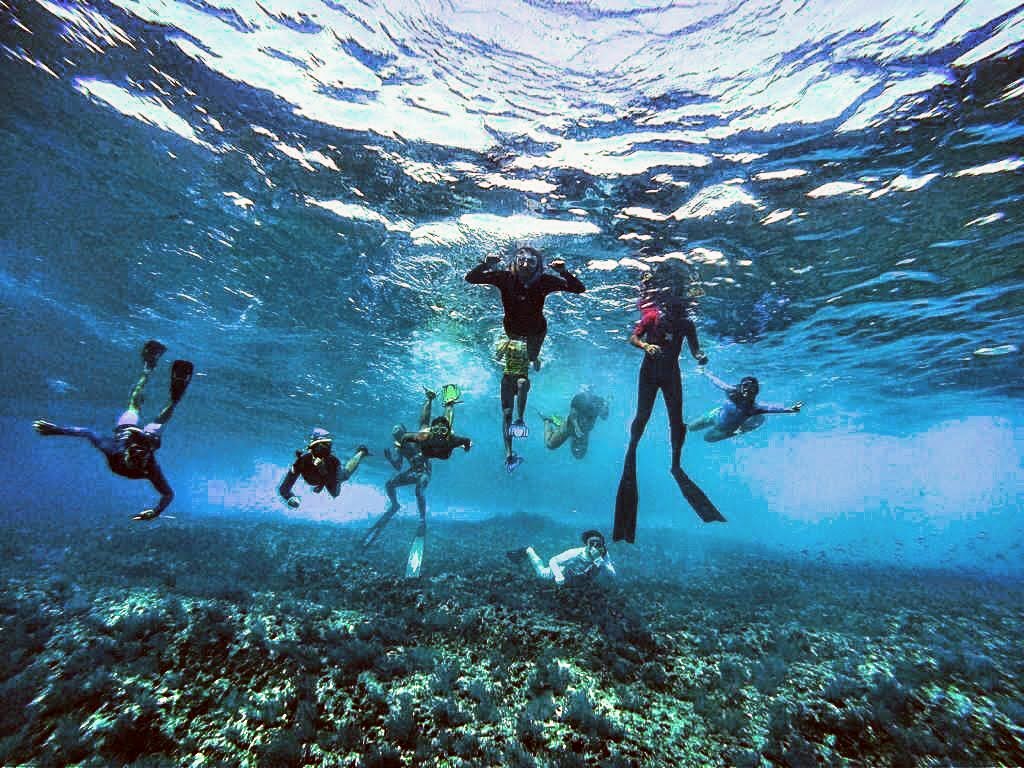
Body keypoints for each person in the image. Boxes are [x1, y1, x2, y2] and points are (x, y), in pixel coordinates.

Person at [613, 270, 724, 543]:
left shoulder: (687, 325)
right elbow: (632, 338)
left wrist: (701, 356)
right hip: (649, 372)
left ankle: (676, 463)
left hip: (671, 374)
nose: (677, 311)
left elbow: (695, 349)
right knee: (643, 415)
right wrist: (645, 347)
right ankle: (632, 450)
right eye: (675, 306)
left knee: (677, 420)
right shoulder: (652, 317)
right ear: (667, 305)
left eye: (681, 307)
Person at [32, 339, 193, 521]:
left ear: (126, 455)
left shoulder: (113, 450)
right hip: (147, 440)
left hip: (127, 435)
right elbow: (168, 494)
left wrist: (57, 430)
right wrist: (155, 512)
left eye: (136, 454)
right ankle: (173, 396)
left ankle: (148, 368)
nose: (138, 454)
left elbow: (87, 432)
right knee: (157, 424)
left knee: (133, 407)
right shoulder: (150, 467)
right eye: (140, 455)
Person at [465, 245, 586, 371]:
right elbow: (470, 278)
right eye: (521, 260)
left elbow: (579, 289)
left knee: (532, 357)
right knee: (513, 339)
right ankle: (506, 342)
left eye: (531, 262)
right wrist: (486, 264)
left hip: (536, 330)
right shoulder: (504, 278)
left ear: (538, 266)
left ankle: (532, 357)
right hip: (512, 328)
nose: (524, 265)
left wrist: (563, 272)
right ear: (515, 262)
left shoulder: (544, 281)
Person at [362, 388, 436, 547]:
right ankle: (395, 504)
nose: (395, 435)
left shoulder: (416, 438)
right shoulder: (399, 447)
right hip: (412, 472)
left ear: (403, 431)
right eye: (394, 434)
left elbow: (424, 422)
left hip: (424, 472)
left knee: (419, 490)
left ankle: (422, 519)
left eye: (398, 432)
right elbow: (398, 467)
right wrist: (390, 459)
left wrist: (429, 401)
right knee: (389, 484)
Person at [690, 371, 803, 441]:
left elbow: (773, 408)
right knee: (690, 427)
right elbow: (718, 383)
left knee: (708, 438)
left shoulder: (755, 408)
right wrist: (706, 373)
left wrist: (791, 409)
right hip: (714, 415)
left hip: (725, 429)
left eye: (752, 388)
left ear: (756, 391)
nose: (748, 390)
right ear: (740, 386)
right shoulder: (732, 392)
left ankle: (734, 433)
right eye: (745, 386)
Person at [278, 428, 369, 508]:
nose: (325, 450)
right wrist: (290, 498)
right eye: (322, 447)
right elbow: (284, 488)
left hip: (329, 478)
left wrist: (321, 484)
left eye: (327, 446)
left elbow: (330, 479)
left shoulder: (333, 461)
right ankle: (361, 452)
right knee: (339, 483)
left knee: (341, 482)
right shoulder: (302, 461)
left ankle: (361, 452)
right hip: (318, 479)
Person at [507, 530, 616, 586]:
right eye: (592, 543)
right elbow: (553, 560)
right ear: (586, 545)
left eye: (599, 544)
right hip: (564, 572)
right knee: (541, 574)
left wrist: (599, 560)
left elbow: (612, 575)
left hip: (580, 579)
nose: (595, 547)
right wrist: (559, 576)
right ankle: (528, 550)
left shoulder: (604, 555)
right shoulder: (575, 553)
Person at [397, 383, 472, 460]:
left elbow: (467, 441)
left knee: (426, 425)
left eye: (443, 431)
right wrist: (467, 448)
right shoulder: (424, 437)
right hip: (433, 442)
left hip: (440, 442)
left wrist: (401, 445)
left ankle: (432, 399)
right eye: (436, 430)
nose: (439, 433)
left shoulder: (452, 440)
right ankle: (446, 403)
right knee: (426, 427)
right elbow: (405, 437)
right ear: (431, 430)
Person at [496, 336, 531, 473]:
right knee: (506, 414)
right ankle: (509, 454)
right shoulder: (504, 338)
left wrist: (535, 357)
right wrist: (506, 343)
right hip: (507, 379)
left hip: (523, 378)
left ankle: (520, 419)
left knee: (521, 383)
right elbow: (498, 357)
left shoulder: (530, 341)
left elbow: (538, 366)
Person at [541, 389, 609, 459]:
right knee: (550, 444)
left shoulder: (599, 402)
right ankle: (547, 420)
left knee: (579, 455)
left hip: (584, 431)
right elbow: (572, 415)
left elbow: (604, 417)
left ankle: (559, 422)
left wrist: (605, 408)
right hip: (570, 428)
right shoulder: (581, 399)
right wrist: (576, 427)